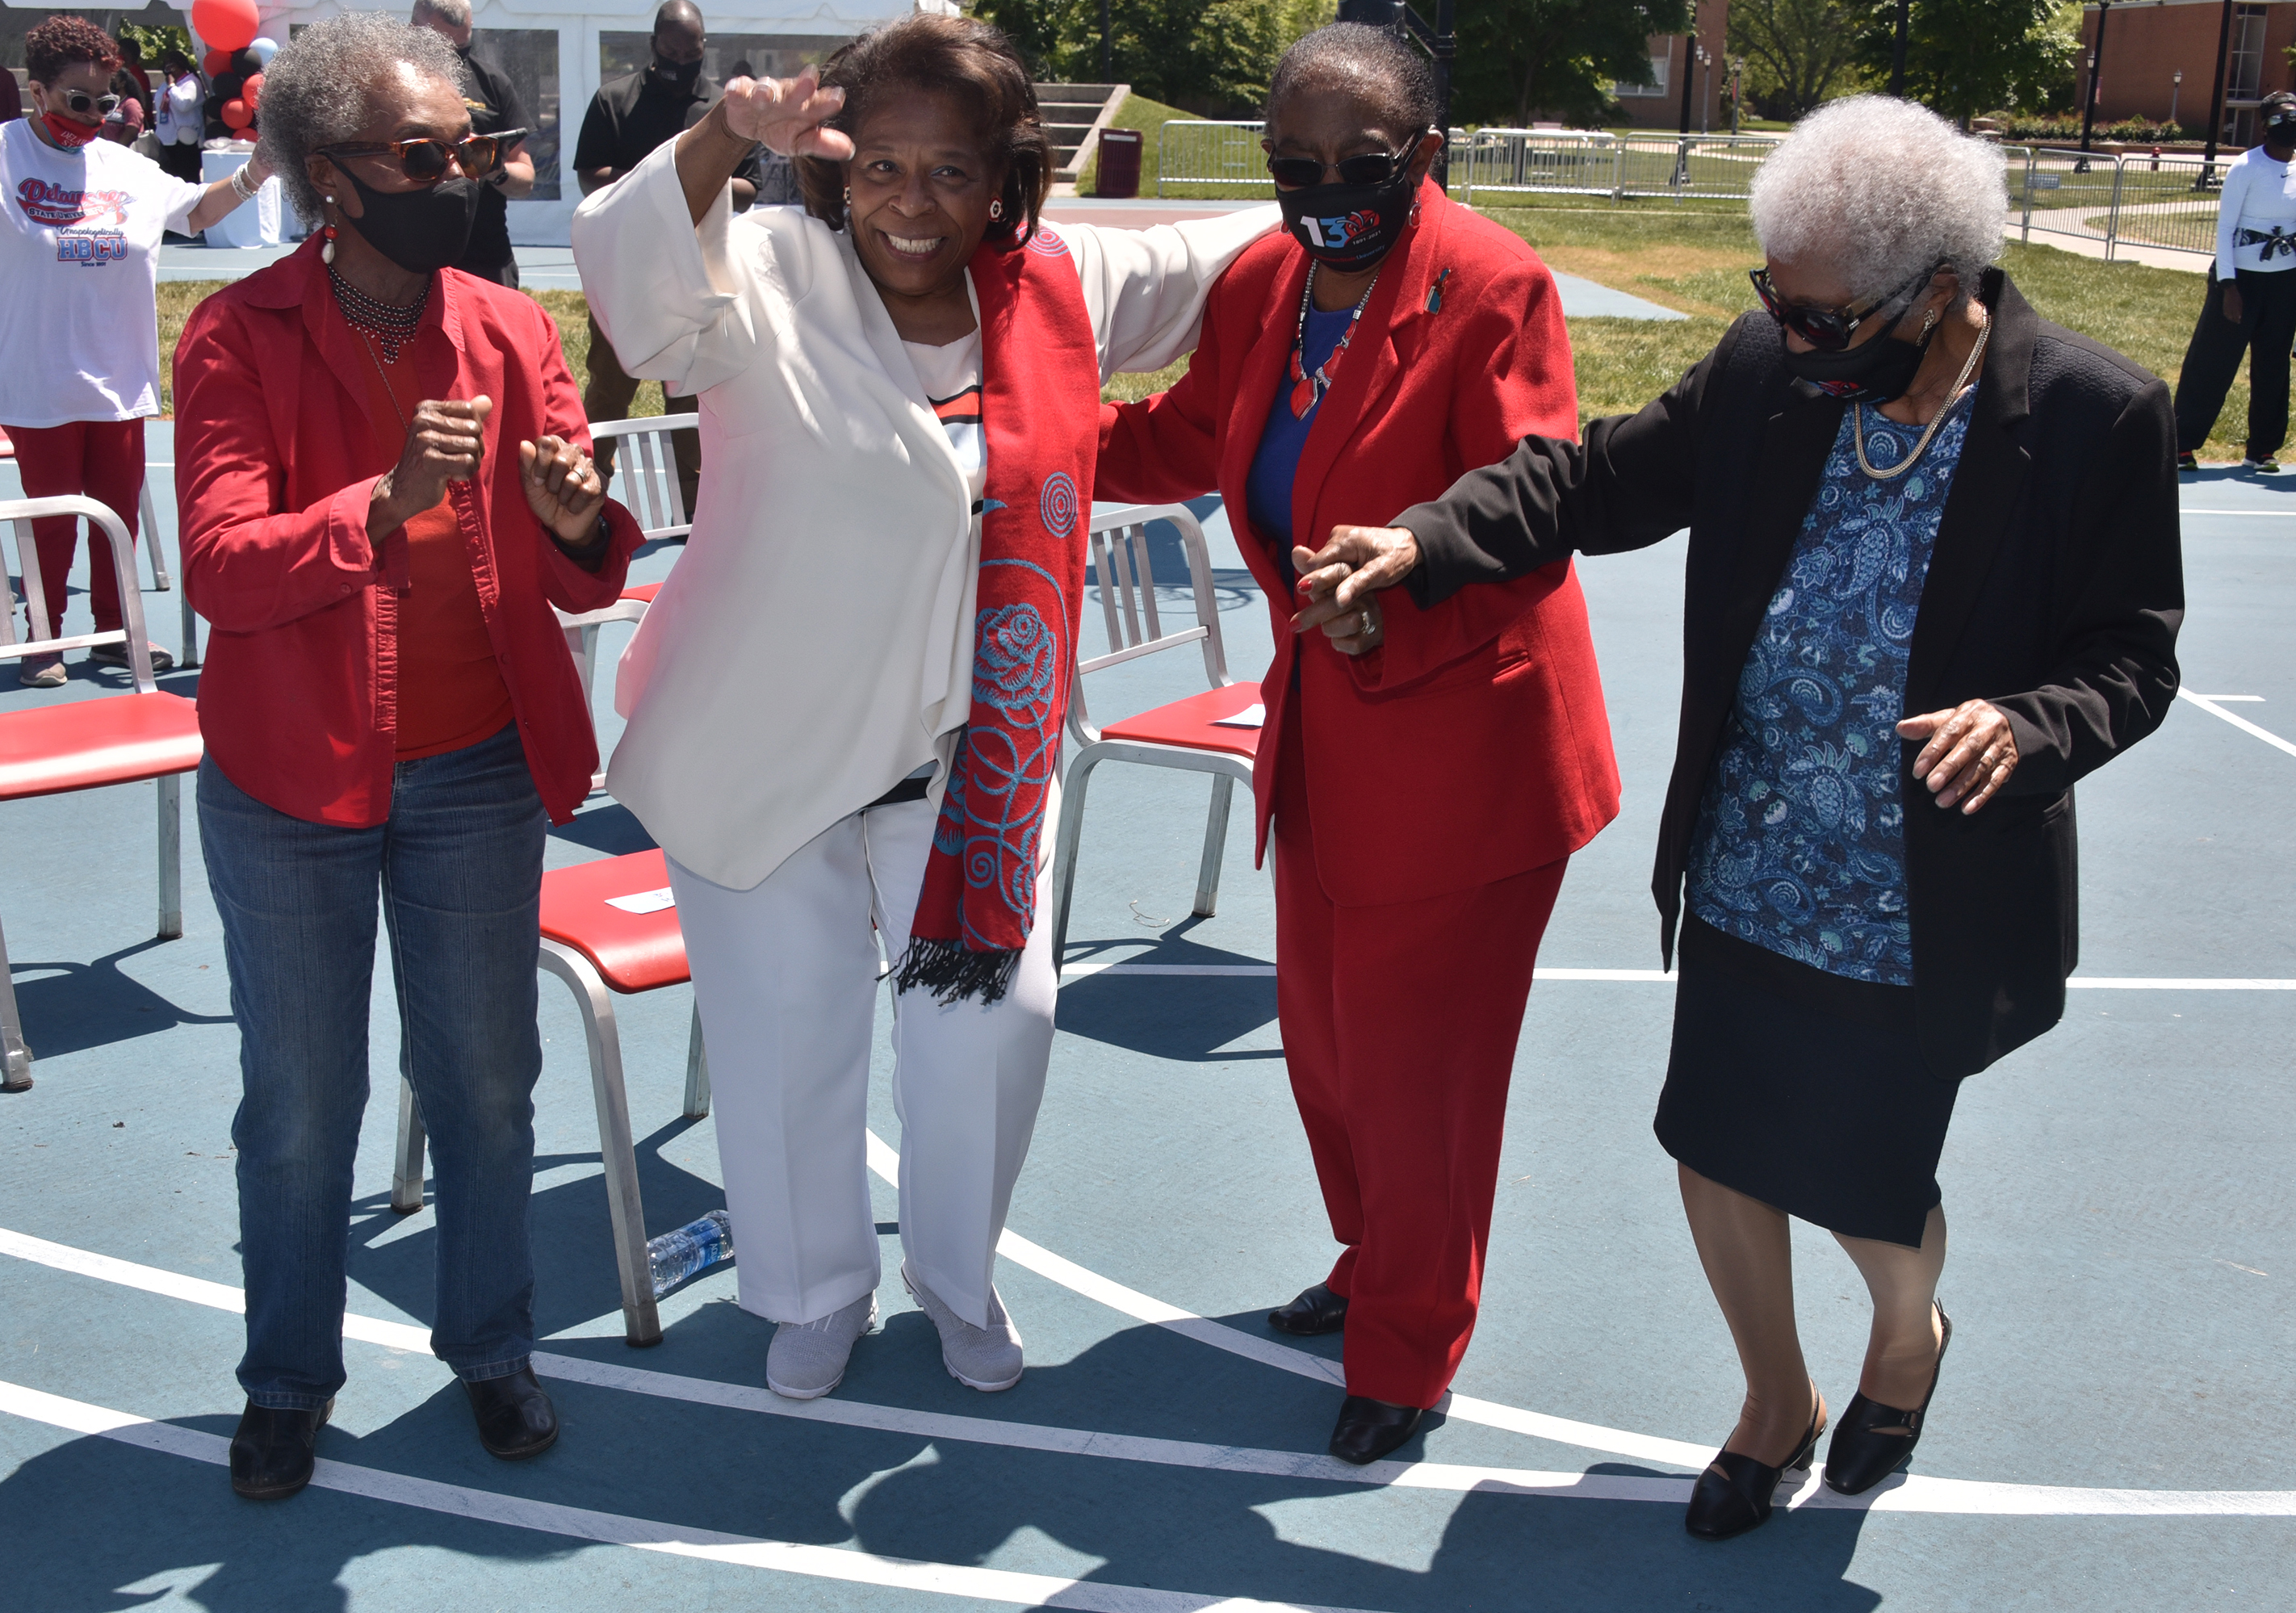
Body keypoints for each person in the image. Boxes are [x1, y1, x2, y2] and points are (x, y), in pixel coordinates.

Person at [1307, 96, 2184, 1537]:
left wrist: (2026, 726)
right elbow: (1586, 478)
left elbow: (2128, 656)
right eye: (1771, 299)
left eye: (1823, 316)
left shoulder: (2090, 416)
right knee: (1712, 1140)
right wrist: (1420, 540)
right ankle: (1772, 1399)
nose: (1789, 335)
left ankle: (1905, 1334)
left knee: (1862, 1169)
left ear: (1943, 291)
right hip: (1750, 850)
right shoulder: (1768, 371)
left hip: (1924, 883)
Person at [572, 11, 1272, 1402]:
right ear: (835, 164)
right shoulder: (767, 268)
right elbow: (628, 279)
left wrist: (1382, 181)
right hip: (760, 748)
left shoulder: (1061, 285)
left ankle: (956, 1279)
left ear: (1003, 180)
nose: (909, 201)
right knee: (783, 1041)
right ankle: (815, 1288)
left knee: (988, 1033)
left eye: (948, 171)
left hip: (974, 756)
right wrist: (724, 135)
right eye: (879, 163)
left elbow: (1258, 241)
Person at [1093, 22, 1619, 1466]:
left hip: (1465, 749)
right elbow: (1192, 438)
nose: (1326, 188)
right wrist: (1029, 445)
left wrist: (1405, 577)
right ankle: (1369, 1253)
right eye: (1296, 164)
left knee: (1420, 1075)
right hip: (1327, 730)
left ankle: (1407, 1340)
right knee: (1325, 1052)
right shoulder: (1266, 281)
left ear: (1423, 156)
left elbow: (1533, 498)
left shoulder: (1490, 283)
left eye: (1360, 165)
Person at [173, 12, 642, 1502]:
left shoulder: (506, 327)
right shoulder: (238, 334)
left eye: (472, 150)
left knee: (488, 1081)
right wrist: (378, 505)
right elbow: (222, 567)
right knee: (303, 1104)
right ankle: (287, 1382)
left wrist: (575, 512)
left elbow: (584, 572)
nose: (463, 178)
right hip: (292, 783)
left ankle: (492, 1345)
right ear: (329, 172)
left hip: (476, 771)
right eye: (425, 155)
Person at [0, 16, 270, 687]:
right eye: (77, 100)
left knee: (116, 514)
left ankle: (120, 636)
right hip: (38, 378)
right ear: (38, 92)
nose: (94, 115)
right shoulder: (5, 155)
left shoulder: (128, 167)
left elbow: (196, 213)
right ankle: (44, 638)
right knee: (52, 518)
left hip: (120, 377)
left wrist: (256, 173)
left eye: (108, 101)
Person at [572, 0, 760, 512]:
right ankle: (586, 493)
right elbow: (591, 173)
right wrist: (652, 190)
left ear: (704, 46)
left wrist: (697, 184)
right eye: (673, 49)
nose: (683, 57)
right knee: (609, 388)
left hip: (695, 272)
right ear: (655, 43)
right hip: (626, 273)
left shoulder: (722, 110)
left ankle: (700, 509)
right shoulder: (616, 100)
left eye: (692, 49)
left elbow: (752, 184)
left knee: (692, 393)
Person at [2173, 90, 2296, 473]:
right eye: (2280, 117)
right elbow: (2226, 227)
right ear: (2264, 125)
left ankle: (2262, 449)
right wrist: (2228, 285)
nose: (2288, 123)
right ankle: (2181, 443)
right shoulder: (2246, 167)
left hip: (2284, 281)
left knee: (2274, 367)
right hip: (2240, 280)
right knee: (2213, 363)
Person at [410, 0, 534, 287]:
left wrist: (492, 166)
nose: (453, 61)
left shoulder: (492, 83)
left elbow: (526, 179)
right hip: (409, 249)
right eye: (442, 50)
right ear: (413, 30)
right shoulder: (389, 83)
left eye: (462, 49)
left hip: (483, 251)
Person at [152, 49, 206, 187]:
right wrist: (169, 86)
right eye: (166, 66)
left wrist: (172, 87)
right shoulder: (166, 84)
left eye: (172, 66)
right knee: (168, 181)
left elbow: (184, 104)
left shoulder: (191, 82)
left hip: (186, 141)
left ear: (180, 65)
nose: (169, 70)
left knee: (187, 180)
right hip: (167, 138)